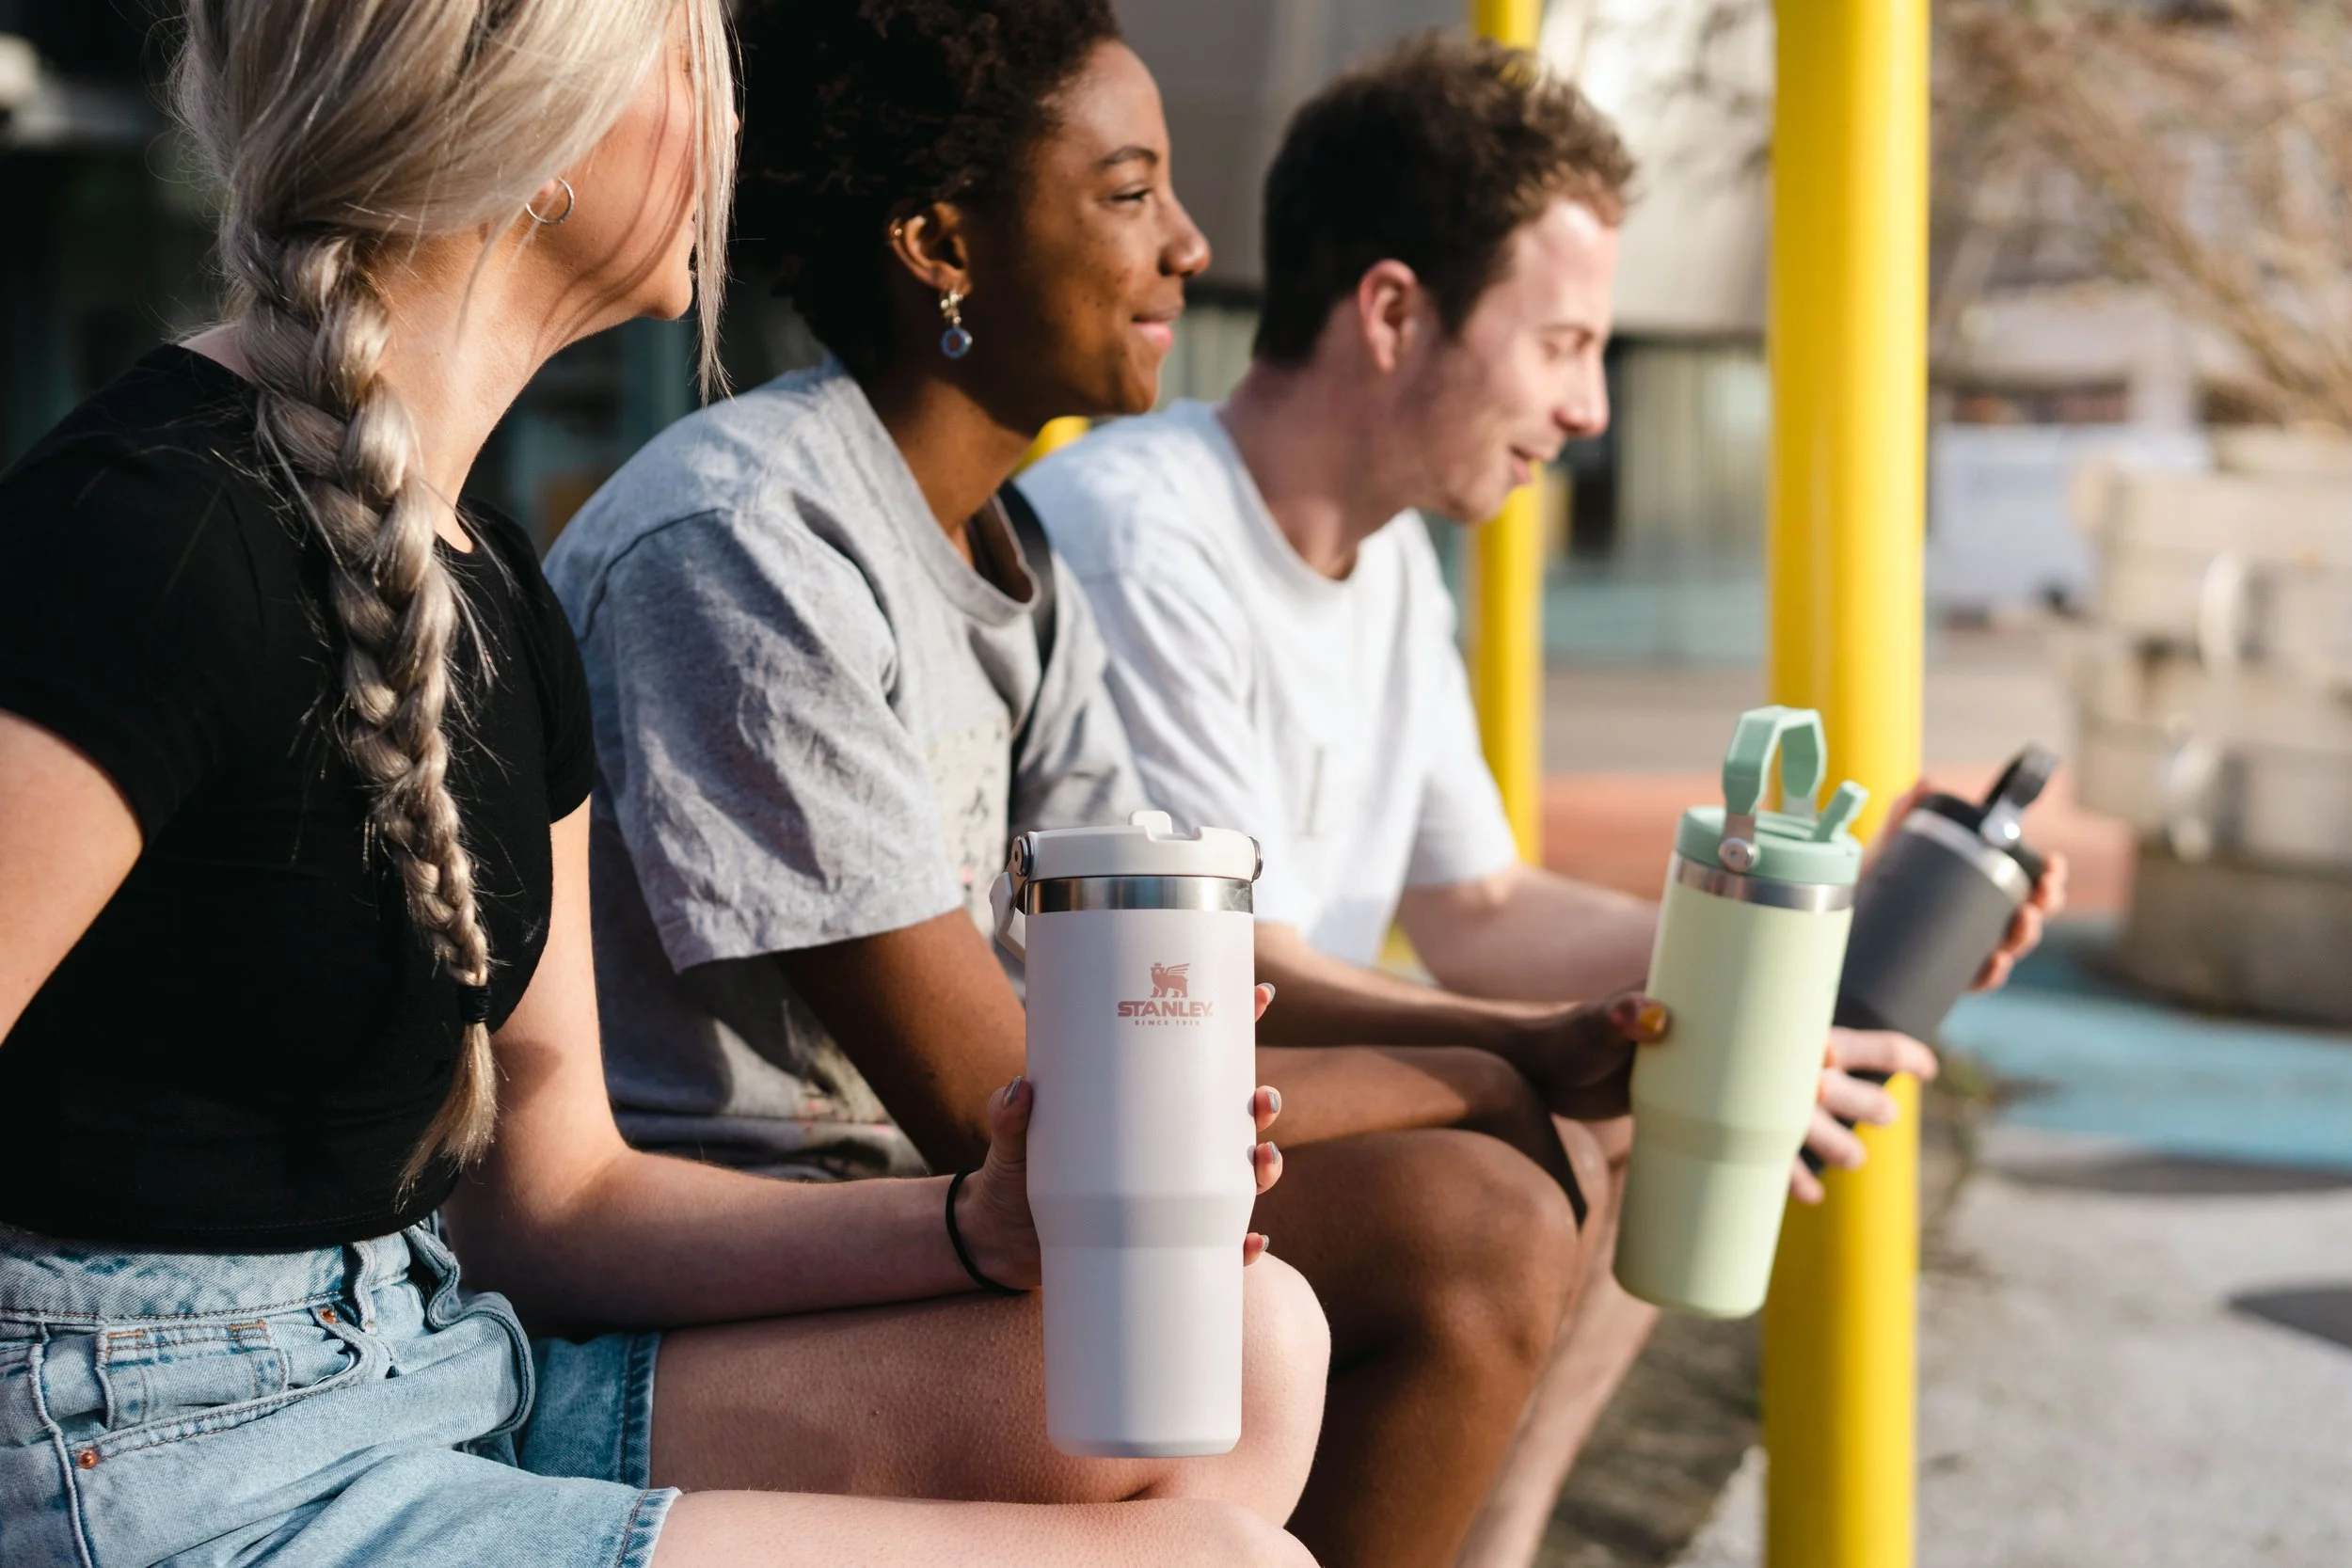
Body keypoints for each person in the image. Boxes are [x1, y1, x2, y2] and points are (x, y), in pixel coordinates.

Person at [0, 4, 1329, 1565]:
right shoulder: (143, 536)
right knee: (1219, 1560)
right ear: (539, 122)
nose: (730, 129)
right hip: (162, 1459)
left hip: (437, 1364)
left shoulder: (487, 588)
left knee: (1248, 1344)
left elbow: (555, 1209)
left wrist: (978, 1225)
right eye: (694, 67)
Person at [546, 5, 1665, 1565]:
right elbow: (999, 1103)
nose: (1192, 248)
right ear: (943, 241)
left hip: (957, 1224)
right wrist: (1489, 1069)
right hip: (747, 1268)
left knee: (1488, 1195)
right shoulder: (747, 543)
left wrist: (1534, 1043)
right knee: (1470, 1223)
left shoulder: (1021, 562)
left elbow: (1172, 975)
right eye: (1131, 193)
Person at [1021, 31, 2068, 1554]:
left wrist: (1795, 955)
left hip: (1247, 1100)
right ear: (1393, 310)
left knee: (1675, 1095)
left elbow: (1482, 908)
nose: (1590, 408)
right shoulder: (1137, 535)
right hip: (1118, 1142)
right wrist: (1666, 1040)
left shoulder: (1383, 564)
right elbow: (1222, 971)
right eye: (1566, 342)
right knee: (1600, 1115)